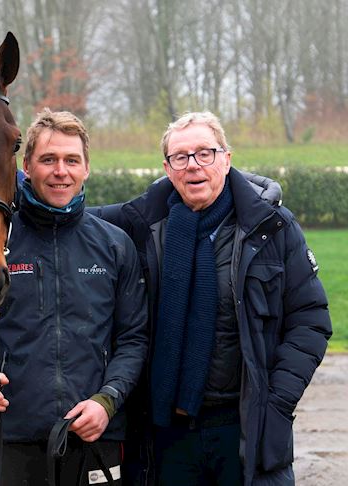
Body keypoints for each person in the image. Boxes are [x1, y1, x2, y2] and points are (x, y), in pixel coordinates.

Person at [92, 111, 331, 485]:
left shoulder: (271, 228)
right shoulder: (140, 225)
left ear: (227, 158)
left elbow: (310, 320)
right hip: (165, 434)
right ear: (167, 169)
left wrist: (277, 403)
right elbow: (69, 220)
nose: (193, 166)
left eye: (205, 153)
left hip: (244, 428)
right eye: (181, 157)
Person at [0, 109, 149, 485]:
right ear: (26, 166)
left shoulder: (115, 246)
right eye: (48, 160)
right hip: (12, 439)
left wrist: (108, 401)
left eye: (72, 160)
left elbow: (133, 340)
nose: (60, 171)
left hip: (94, 438)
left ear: (87, 168)